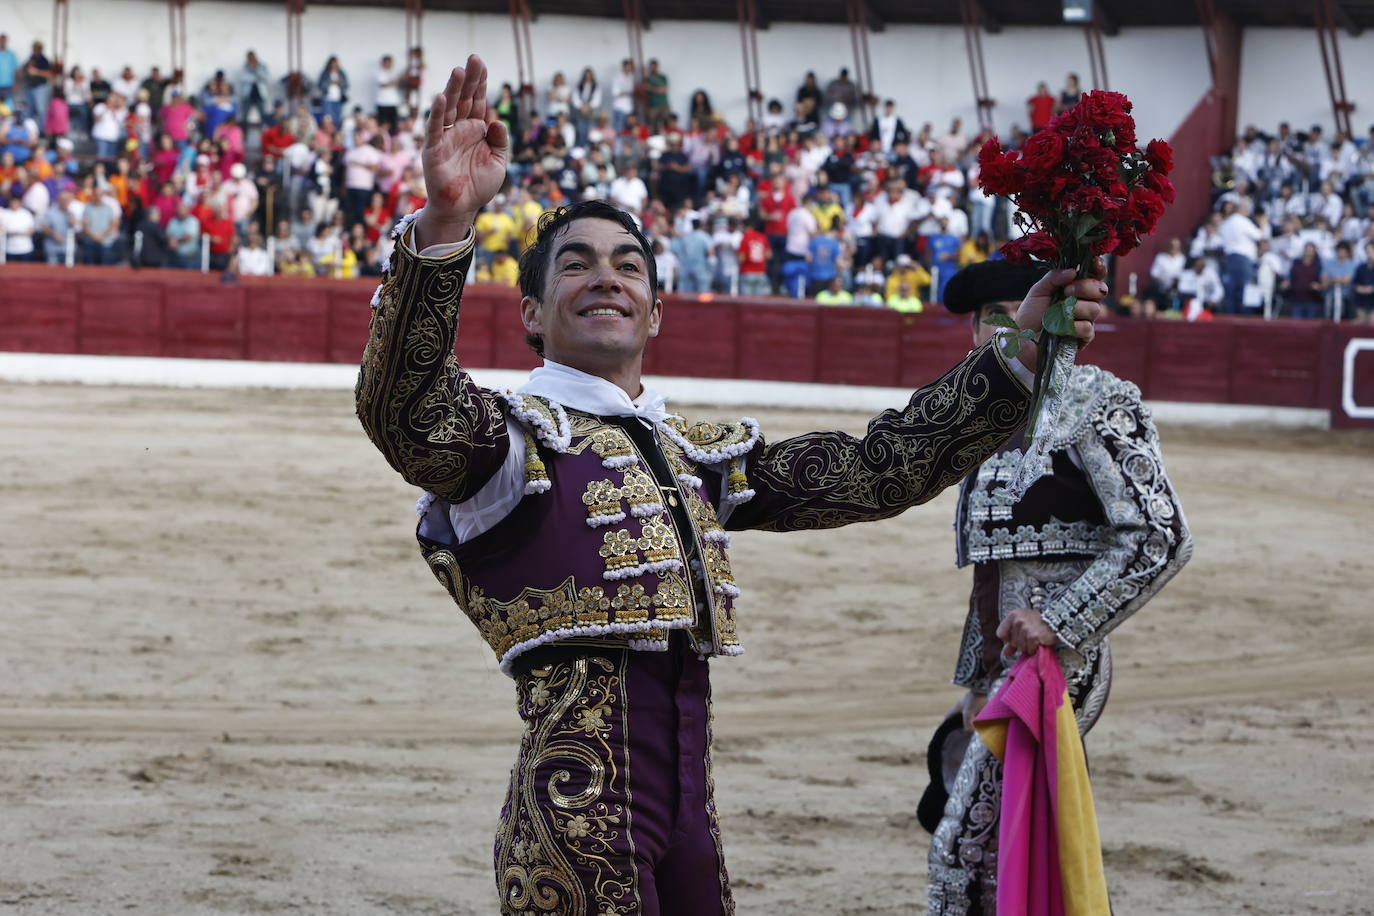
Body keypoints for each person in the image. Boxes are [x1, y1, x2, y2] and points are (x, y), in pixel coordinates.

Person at [355, 54, 1108, 916]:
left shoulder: (692, 455)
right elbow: (405, 409)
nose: (607, 276)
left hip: (689, 807)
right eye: (576, 265)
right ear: (530, 313)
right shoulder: (505, 442)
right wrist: (448, 220)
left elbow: (873, 470)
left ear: (656, 310)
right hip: (575, 809)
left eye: (629, 266)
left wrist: (1013, 353)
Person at [925, 261, 1193, 916]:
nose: (1001, 328)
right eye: (989, 315)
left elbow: (1161, 534)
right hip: (1007, 666)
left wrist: (1062, 623)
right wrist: (976, 678)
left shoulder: (1098, 401)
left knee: (964, 851)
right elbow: (991, 571)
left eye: (1020, 311)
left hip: (1056, 667)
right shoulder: (985, 419)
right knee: (993, 847)